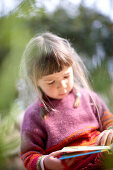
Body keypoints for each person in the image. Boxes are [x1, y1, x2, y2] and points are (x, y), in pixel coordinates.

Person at [20, 32, 113, 170]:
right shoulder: (34, 114)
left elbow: (109, 122)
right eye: (51, 82)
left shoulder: (89, 97)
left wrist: (110, 131)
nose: (62, 86)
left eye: (66, 76)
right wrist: (45, 163)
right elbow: (28, 155)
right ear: (34, 80)